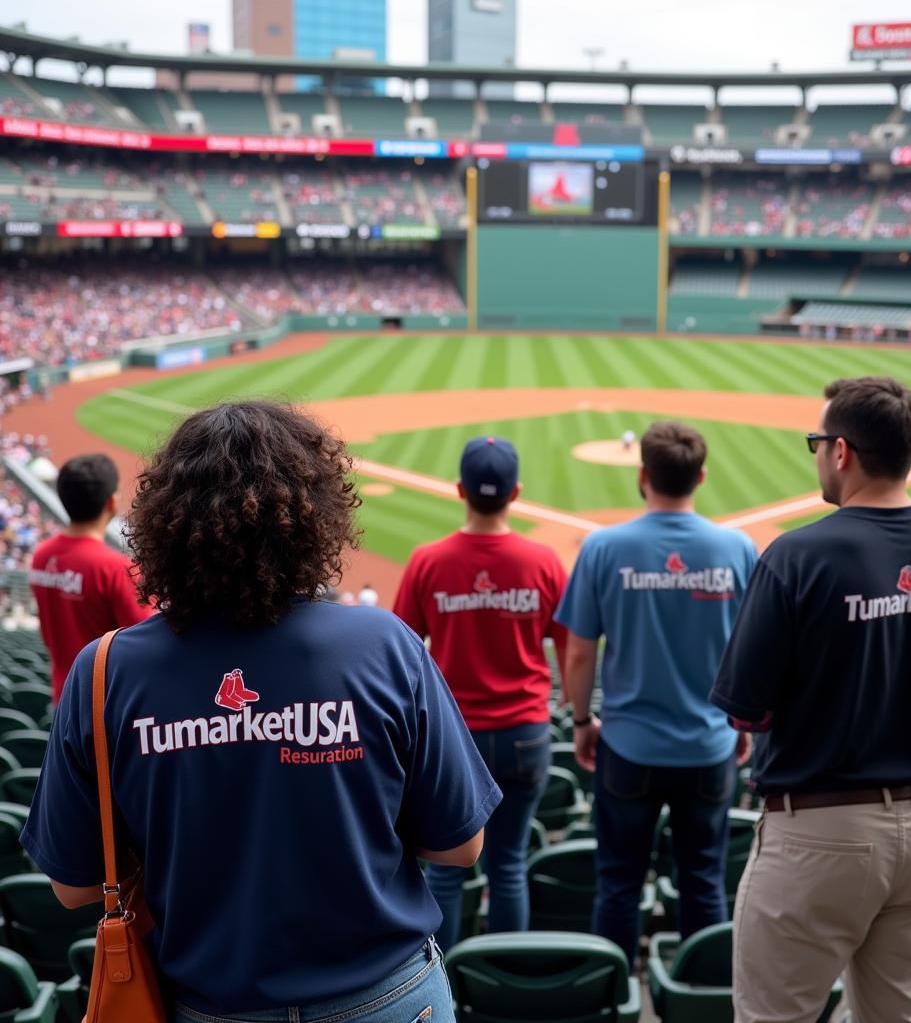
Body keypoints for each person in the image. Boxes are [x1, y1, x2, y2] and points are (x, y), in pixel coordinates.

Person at [22, 402, 500, 1023]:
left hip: (211, 1004)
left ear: (165, 522)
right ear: (314, 520)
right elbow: (461, 847)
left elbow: (74, 886)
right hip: (387, 999)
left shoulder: (105, 670)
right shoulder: (384, 645)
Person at [710, 376, 911, 1023]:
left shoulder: (797, 556)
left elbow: (744, 709)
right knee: (898, 1012)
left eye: (817, 443)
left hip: (821, 830)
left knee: (774, 1016)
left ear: (842, 452)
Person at [555, 420, 757, 965]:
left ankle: (617, 992)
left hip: (628, 747)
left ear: (642, 476)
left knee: (618, 885)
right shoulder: (738, 548)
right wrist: (742, 724)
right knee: (704, 883)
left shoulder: (602, 548)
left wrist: (580, 723)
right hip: (709, 748)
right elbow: (755, 651)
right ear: (702, 476)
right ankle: (699, 995)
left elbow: (578, 653)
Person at [393, 435, 568, 950]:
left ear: (458, 490)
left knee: (446, 872)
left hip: (454, 737)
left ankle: (444, 983)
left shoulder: (429, 561)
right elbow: (570, 643)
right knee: (508, 865)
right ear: (515, 492)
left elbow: (400, 646)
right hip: (525, 732)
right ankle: (505, 974)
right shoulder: (543, 561)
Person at [29, 453, 152, 704]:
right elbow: (148, 641)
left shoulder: (41, 555)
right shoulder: (117, 568)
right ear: (110, 502)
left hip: (63, 696)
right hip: (108, 703)